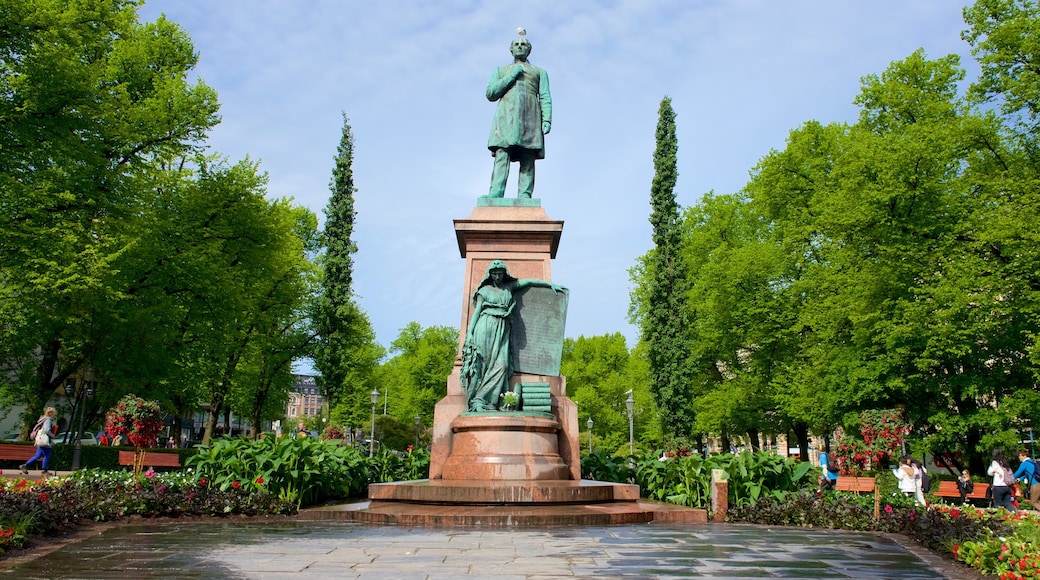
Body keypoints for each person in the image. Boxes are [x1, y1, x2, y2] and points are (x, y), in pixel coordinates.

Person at [460, 260, 565, 412]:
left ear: (505, 273)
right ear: (490, 274)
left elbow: (529, 282)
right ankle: (478, 401)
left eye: (500, 273)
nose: (497, 276)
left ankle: (488, 400)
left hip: (503, 328)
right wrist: (469, 334)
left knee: (502, 365)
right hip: (486, 326)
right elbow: (476, 313)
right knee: (484, 365)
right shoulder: (484, 291)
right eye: (494, 273)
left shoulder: (509, 287)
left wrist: (549, 285)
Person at [485, 29, 552, 199]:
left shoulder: (539, 72)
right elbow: (491, 93)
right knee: (502, 154)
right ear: (511, 49)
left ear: (529, 50)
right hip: (506, 117)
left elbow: (544, 96)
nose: (520, 46)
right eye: (517, 44)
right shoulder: (501, 70)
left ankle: (525, 195)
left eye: (523, 44)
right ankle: (495, 193)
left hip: (530, 117)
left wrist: (547, 119)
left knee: (528, 157)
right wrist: (511, 76)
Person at [20, 407, 57, 476]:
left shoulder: (43, 419)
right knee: (47, 456)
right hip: (44, 441)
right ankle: (44, 470)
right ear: (51, 413)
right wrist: (52, 435)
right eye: (54, 414)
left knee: (38, 455)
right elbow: (46, 430)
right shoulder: (48, 420)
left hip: (40, 440)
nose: (55, 415)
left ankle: (25, 465)